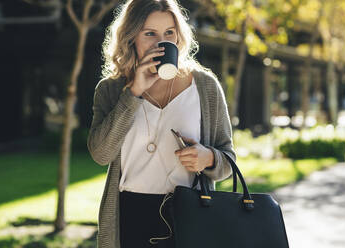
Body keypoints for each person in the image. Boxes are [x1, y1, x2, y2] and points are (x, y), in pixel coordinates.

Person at [87, 0, 235, 247]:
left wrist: (208, 157)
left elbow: (228, 161)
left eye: (169, 33)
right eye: (150, 34)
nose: (160, 43)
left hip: (190, 215)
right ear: (131, 36)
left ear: (178, 37)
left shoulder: (205, 86)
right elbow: (101, 154)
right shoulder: (111, 89)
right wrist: (133, 92)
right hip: (131, 217)